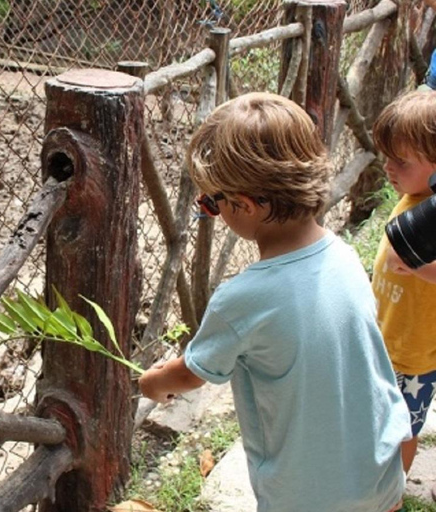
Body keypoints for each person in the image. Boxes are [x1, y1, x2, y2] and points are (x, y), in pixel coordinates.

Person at [139, 92, 410, 512]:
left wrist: (153, 382)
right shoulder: (344, 255)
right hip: (379, 470)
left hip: (308, 496)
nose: (209, 210)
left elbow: (193, 374)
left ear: (243, 205)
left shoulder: (243, 299)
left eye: (210, 203)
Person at [371, 90, 436, 488]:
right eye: (387, 157)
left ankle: (392, 491)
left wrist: (417, 264)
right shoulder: (413, 198)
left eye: (401, 161)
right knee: (377, 418)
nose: (388, 168)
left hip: (413, 355)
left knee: (404, 429)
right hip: (384, 339)